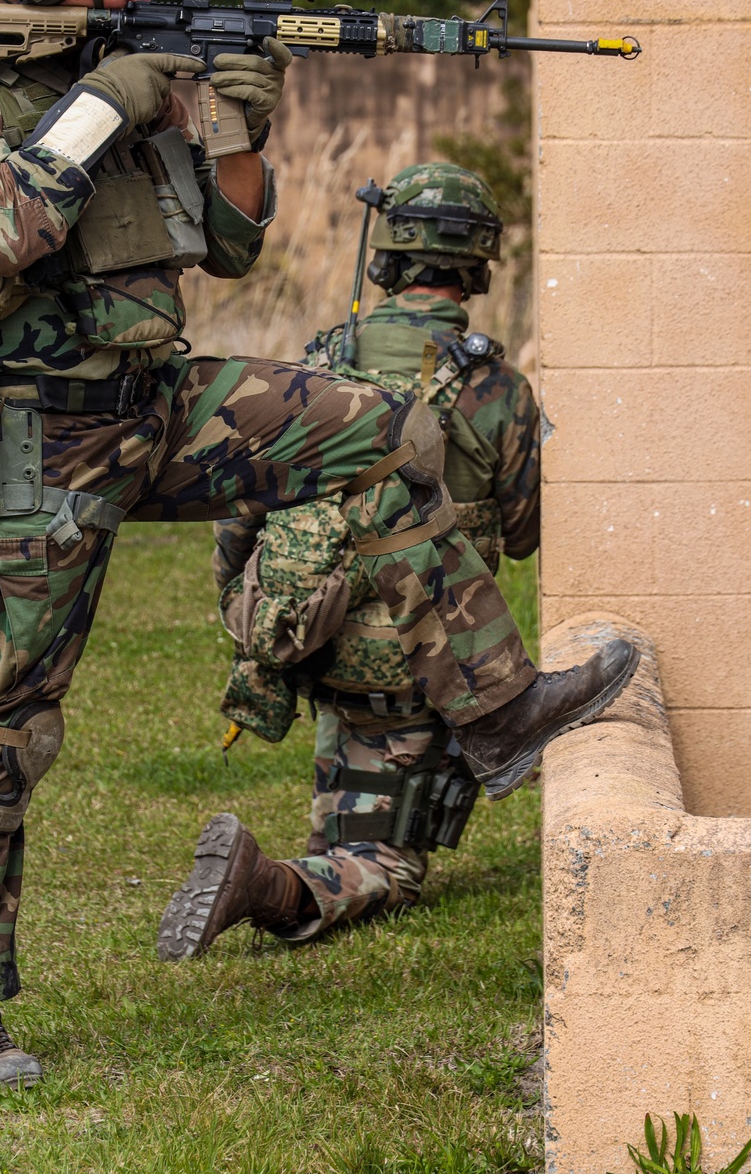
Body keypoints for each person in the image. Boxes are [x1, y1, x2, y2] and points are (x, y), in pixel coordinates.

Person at [0, 0, 637, 1086]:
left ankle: (496, 715)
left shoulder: (118, 82)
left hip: (156, 400)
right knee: (3, 733)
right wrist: (115, 97)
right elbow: (2, 225)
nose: (131, 2)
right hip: (28, 440)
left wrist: (232, 123)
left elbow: (228, 245)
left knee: (388, 430)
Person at [159, 162, 542, 957]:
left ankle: (320, 843)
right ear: (476, 265)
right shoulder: (500, 389)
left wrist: (254, 609)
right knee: (387, 862)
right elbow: (526, 529)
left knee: (357, 800)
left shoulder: (319, 366)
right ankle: (263, 883)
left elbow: (244, 511)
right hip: (428, 657)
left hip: (318, 634)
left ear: (388, 256)